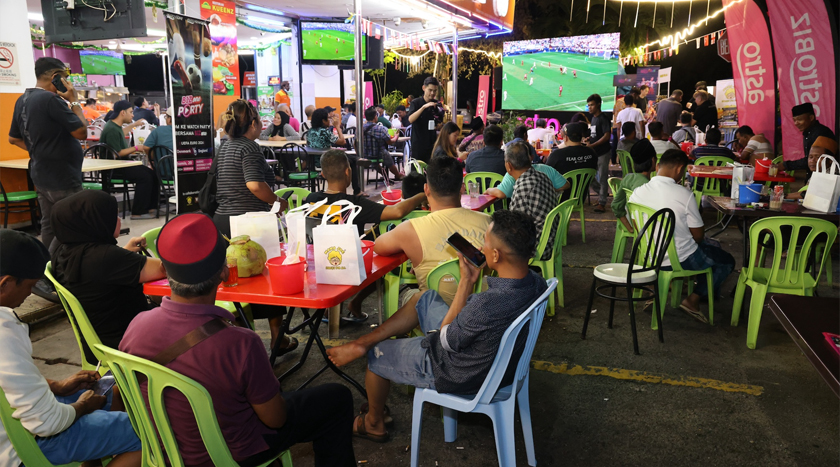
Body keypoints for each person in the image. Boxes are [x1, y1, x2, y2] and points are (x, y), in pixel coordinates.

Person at [119, 213, 356, 467]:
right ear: (224, 272)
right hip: (230, 453)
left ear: (164, 270)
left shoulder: (136, 326)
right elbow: (275, 419)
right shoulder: (240, 343)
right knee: (336, 398)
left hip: (166, 449)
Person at [325, 210, 547, 443]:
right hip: (490, 359)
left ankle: (373, 422)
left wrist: (464, 286)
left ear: (495, 254)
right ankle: (362, 342)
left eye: (485, 241)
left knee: (376, 355)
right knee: (425, 298)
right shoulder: (536, 283)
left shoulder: (486, 305)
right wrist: (467, 281)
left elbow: (445, 341)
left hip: (457, 370)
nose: (480, 248)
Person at [0, 229, 142, 467]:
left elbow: (7, 378)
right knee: (151, 432)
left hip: (21, 423)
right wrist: (82, 408)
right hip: (20, 447)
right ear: (5, 284)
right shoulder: (4, 332)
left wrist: (57, 385)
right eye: (31, 286)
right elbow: (47, 423)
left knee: (108, 389)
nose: (29, 293)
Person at [305, 150, 426, 321]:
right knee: (387, 257)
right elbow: (397, 211)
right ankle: (356, 301)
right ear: (348, 172)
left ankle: (336, 307)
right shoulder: (354, 204)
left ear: (323, 174)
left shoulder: (310, 199)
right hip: (348, 266)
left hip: (318, 262)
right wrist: (423, 194)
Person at [50, 190, 166, 363]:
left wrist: (125, 253)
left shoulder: (65, 250)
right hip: (128, 343)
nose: (118, 220)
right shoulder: (105, 257)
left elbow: (99, 271)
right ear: (96, 221)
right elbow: (167, 269)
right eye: (114, 216)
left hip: (98, 342)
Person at [629, 149, 735, 322]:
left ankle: (659, 289)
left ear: (657, 166)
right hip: (679, 259)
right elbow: (698, 236)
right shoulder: (684, 194)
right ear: (679, 169)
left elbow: (637, 227)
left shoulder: (638, 192)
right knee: (726, 260)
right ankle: (693, 300)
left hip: (650, 255)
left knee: (711, 248)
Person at [370, 156, 491, 305]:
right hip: (481, 309)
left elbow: (377, 246)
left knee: (412, 294)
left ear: (426, 189)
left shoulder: (410, 229)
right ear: (462, 188)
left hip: (435, 314)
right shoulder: (487, 222)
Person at [8, 57, 87, 252]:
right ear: (55, 77)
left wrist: (39, 150)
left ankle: (46, 267)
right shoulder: (51, 100)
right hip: (63, 176)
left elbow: (14, 138)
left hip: (41, 174)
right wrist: (74, 100)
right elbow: (81, 132)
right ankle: (66, 267)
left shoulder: (23, 99)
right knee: (72, 224)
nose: (67, 82)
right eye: (65, 77)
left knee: (50, 224)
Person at [99, 100, 160, 220]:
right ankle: (138, 212)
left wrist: (133, 125)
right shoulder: (111, 129)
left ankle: (151, 207)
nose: (133, 115)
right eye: (131, 112)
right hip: (114, 167)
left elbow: (120, 133)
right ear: (122, 112)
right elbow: (118, 154)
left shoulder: (114, 126)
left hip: (120, 164)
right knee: (145, 176)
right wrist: (136, 148)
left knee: (151, 173)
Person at [505, 141, 560, 260]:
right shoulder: (541, 176)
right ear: (530, 158)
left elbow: (515, 229)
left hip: (538, 248)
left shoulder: (523, 188)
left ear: (508, 166)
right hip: (551, 241)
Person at [611, 139, 656, 232]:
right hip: (647, 229)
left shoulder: (628, 178)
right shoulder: (648, 186)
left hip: (632, 222)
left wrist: (630, 228)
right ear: (653, 160)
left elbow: (616, 205)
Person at [780, 103, 837, 173]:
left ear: (811, 118)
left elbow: (817, 160)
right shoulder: (807, 133)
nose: (796, 123)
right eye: (794, 120)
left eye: (799, 119)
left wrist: (786, 165)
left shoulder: (821, 133)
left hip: (824, 177)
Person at [585, 94, 612, 213]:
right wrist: (589, 139)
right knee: (589, 176)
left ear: (599, 105)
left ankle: (602, 202)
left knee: (602, 177)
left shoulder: (603, 118)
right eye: (588, 105)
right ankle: (602, 194)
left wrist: (593, 145)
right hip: (595, 153)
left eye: (592, 105)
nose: (589, 107)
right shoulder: (594, 118)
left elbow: (606, 136)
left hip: (603, 152)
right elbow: (595, 134)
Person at [408, 77, 446, 162]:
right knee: (417, 172)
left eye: (435, 91)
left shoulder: (437, 104)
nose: (432, 93)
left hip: (432, 144)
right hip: (418, 145)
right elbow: (410, 119)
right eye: (430, 90)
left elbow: (440, 122)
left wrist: (439, 125)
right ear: (424, 88)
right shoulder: (416, 103)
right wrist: (424, 107)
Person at [360, 107, 403, 181]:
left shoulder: (360, 129)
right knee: (388, 157)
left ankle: (384, 175)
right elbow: (389, 142)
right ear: (375, 117)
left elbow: (355, 142)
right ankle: (397, 175)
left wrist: (359, 153)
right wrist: (396, 136)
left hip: (366, 154)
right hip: (379, 154)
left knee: (375, 162)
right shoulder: (381, 129)